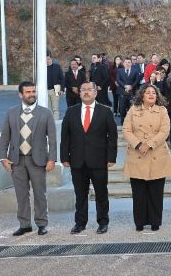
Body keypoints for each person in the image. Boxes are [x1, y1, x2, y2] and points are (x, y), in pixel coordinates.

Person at [0, 81, 57, 236]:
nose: (32, 94)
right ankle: (25, 225)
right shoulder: (11, 113)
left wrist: (52, 159)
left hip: (37, 160)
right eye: (28, 92)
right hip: (16, 161)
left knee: (40, 194)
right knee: (21, 195)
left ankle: (42, 224)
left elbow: (52, 139)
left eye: (33, 91)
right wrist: (3, 158)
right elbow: (5, 137)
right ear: (20, 94)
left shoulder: (46, 113)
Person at [61, 82, 117, 234]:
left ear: (95, 92)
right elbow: (65, 136)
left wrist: (111, 157)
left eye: (89, 90)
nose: (86, 92)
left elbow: (112, 136)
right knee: (80, 194)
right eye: (83, 90)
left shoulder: (105, 111)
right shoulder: (71, 111)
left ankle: (103, 222)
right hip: (77, 161)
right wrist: (64, 157)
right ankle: (80, 223)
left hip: (99, 160)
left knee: (101, 193)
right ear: (79, 93)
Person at [122, 84, 171, 231]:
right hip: (137, 154)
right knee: (139, 193)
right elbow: (126, 130)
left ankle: (155, 222)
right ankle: (139, 222)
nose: (151, 95)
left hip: (157, 153)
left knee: (156, 192)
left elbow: (165, 130)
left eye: (154, 93)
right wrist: (138, 144)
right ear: (142, 95)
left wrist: (150, 144)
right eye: (148, 92)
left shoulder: (162, 110)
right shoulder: (133, 110)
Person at [116, 57, 142, 123]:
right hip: (122, 92)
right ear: (123, 63)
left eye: (129, 62)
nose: (127, 64)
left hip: (132, 93)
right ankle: (123, 122)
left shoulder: (135, 71)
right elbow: (118, 80)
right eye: (126, 62)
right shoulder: (119, 70)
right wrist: (125, 86)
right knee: (122, 109)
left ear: (131, 63)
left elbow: (137, 80)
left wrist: (131, 86)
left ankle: (131, 123)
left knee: (132, 108)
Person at [46, 52, 64, 120]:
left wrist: (62, 89)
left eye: (48, 59)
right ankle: (49, 125)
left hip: (55, 90)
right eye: (46, 59)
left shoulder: (57, 67)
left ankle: (55, 125)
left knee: (55, 109)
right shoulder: (42, 68)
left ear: (51, 59)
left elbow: (62, 79)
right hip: (45, 91)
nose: (47, 61)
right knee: (47, 109)